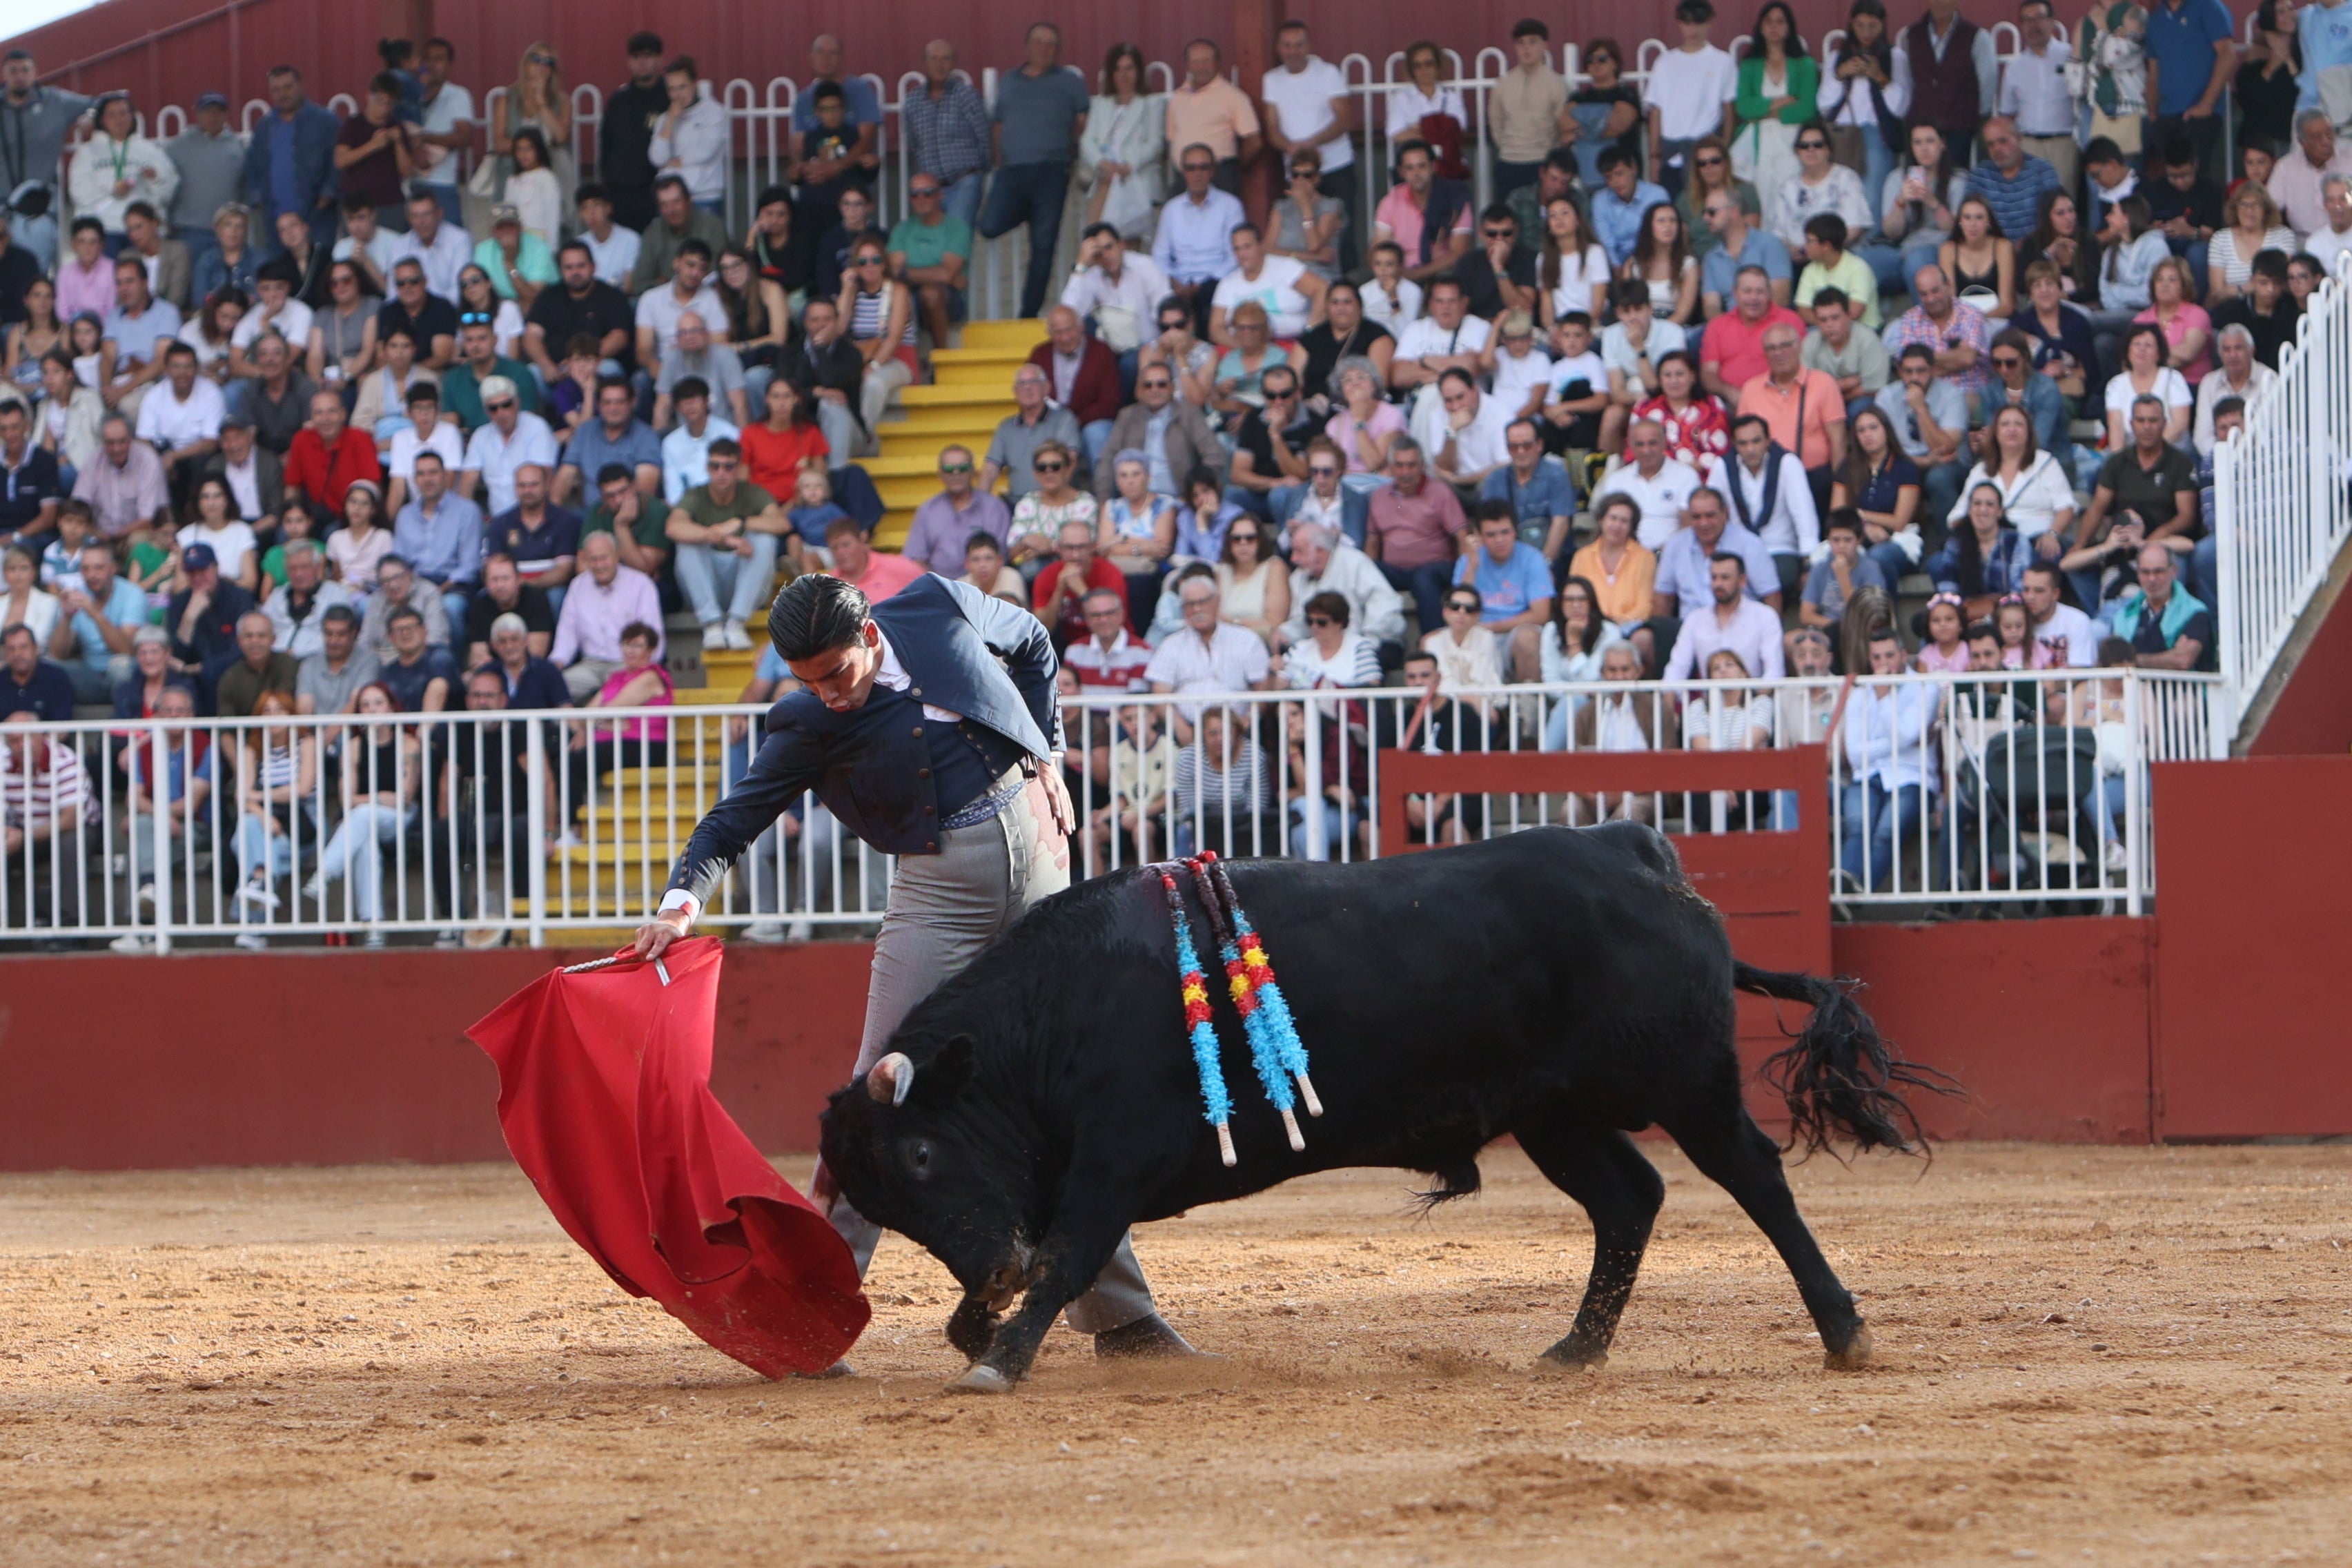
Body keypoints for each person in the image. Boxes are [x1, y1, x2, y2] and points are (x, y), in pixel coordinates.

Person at [637, 569, 1189, 1358]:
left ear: (869, 636)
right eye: (807, 681)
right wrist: (679, 903)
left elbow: (1033, 644)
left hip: (1042, 857)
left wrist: (1050, 752)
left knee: (1063, 1085)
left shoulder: (938, 603)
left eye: (835, 673)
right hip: (940, 893)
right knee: (878, 1089)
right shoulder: (805, 721)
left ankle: (1123, 1319)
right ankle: (805, 1311)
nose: (826, 693)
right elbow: (735, 817)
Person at [979, 23, 1090, 322]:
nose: (1044, 48)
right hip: (1013, 171)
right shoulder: (1010, 81)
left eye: (1051, 44)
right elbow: (999, 124)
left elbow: (1082, 122)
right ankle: (1031, 212)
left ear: (1058, 50)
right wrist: (1000, 159)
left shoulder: (1069, 82)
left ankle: (1028, 314)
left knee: (1043, 247)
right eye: (1039, 42)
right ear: (1027, 46)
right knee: (989, 225)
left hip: (1052, 171)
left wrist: (1068, 149)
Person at [1836, 625, 1934, 893]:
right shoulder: (1859, 694)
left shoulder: (1925, 687)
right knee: (1857, 826)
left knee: (1886, 833)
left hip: (1912, 776)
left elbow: (1905, 735)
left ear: (1904, 655)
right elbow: (1855, 754)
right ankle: (1847, 885)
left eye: (1889, 655)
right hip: (1868, 775)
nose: (1883, 664)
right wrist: (1898, 744)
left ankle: (1856, 895)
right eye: (1877, 657)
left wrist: (1883, 698)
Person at [668, 438, 786, 650]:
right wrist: (719, 536)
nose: (721, 472)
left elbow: (781, 523)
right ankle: (712, 623)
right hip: (707, 585)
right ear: (707, 468)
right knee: (687, 545)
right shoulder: (696, 494)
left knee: (765, 540)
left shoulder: (752, 492)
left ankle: (736, 622)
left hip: (746, 587)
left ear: (739, 469)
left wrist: (740, 523)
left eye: (728, 467)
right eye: (715, 466)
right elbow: (673, 527)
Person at [1645, 0, 1740, 196]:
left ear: (1710, 22)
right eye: (1688, 23)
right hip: (1671, 151)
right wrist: (1655, 155)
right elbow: (1656, 110)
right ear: (1679, 23)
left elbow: (1729, 109)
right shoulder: (1665, 62)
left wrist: (1724, 149)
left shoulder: (1723, 61)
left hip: (1706, 153)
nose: (1693, 29)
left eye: (1699, 22)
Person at [239, 66, 340, 248]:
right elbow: (252, 165)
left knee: (317, 271)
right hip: (275, 222)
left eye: (288, 87)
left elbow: (338, 162)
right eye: (276, 90)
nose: (282, 94)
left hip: (315, 218)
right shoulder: (265, 126)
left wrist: (327, 196)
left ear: (301, 85)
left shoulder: (325, 121)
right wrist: (258, 198)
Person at [2110, 540, 2215, 671]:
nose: (2152, 579)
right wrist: (2169, 656)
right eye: (2145, 572)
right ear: (2137, 574)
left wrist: (2133, 660)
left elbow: (2182, 661)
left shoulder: (2196, 612)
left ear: (2174, 571)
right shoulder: (2123, 616)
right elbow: (2111, 662)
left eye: (2159, 572)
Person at [2193, 324, 2276, 454]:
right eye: (2226, 350)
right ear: (2220, 354)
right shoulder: (2208, 383)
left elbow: (2272, 429)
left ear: (2251, 351)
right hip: (2219, 461)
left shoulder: (2269, 379)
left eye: (2238, 348)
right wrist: (2223, 460)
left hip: (2260, 459)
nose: (2232, 355)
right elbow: (2202, 437)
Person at [462, 551, 553, 667]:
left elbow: (536, 654)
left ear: (519, 579)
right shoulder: (480, 604)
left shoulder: (535, 599)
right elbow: (477, 655)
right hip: (493, 671)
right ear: (486, 583)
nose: (500, 585)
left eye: (506, 579)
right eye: (494, 580)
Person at [295, 601, 376, 715]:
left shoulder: (369, 661)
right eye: (329, 634)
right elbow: (304, 708)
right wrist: (308, 733)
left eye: (341, 634)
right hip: (315, 732)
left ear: (354, 634)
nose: (334, 641)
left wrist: (325, 734)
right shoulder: (309, 664)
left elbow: (355, 704)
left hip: (353, 732)